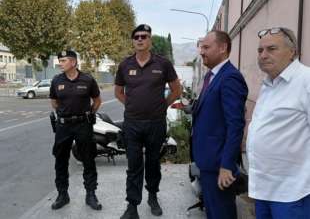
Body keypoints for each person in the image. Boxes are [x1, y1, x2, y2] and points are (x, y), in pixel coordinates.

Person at [115, 24, 181, 219]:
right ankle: (132, 206)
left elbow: (176, 89)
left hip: (155, 123)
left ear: (150, 40)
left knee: (153, 163)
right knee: (134, 165)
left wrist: (163, 106)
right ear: (133, 41)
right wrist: (132, 104)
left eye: (144, 36)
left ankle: (152, 196)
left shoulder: (163, 64)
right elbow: (118, 91)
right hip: (132, 124)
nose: (140, 39)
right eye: (137, 37)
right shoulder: (125, 65)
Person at [246, 27, 310, 219]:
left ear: (292, 52)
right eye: (260, 50)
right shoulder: (269, 83)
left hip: (293, 193)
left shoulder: (306, 81)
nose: (263, 55)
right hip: (263, 188)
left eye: (271, 49)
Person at [192, 30, 248, 219]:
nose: (202, 52)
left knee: (221, 213)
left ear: (223, 48)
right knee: (213, 211)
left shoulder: (230, 78)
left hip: (219, 164)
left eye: (206, 47)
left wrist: (226, 165)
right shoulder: (212, 76)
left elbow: (235, 125)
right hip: (208, 160)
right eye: (201, 47)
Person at [49, 50, 102, 210]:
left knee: (88, 159)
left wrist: (88, 115)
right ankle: (62, 195)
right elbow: (54, 101)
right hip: (63, 126)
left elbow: (97, 101)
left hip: (83, 125)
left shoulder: (87, 79)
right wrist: (65, 115)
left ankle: (91, 195)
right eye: (60, 60)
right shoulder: (57, 80)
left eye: (63, 60)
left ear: (73, 62)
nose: (60, 63)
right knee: (60, 160)